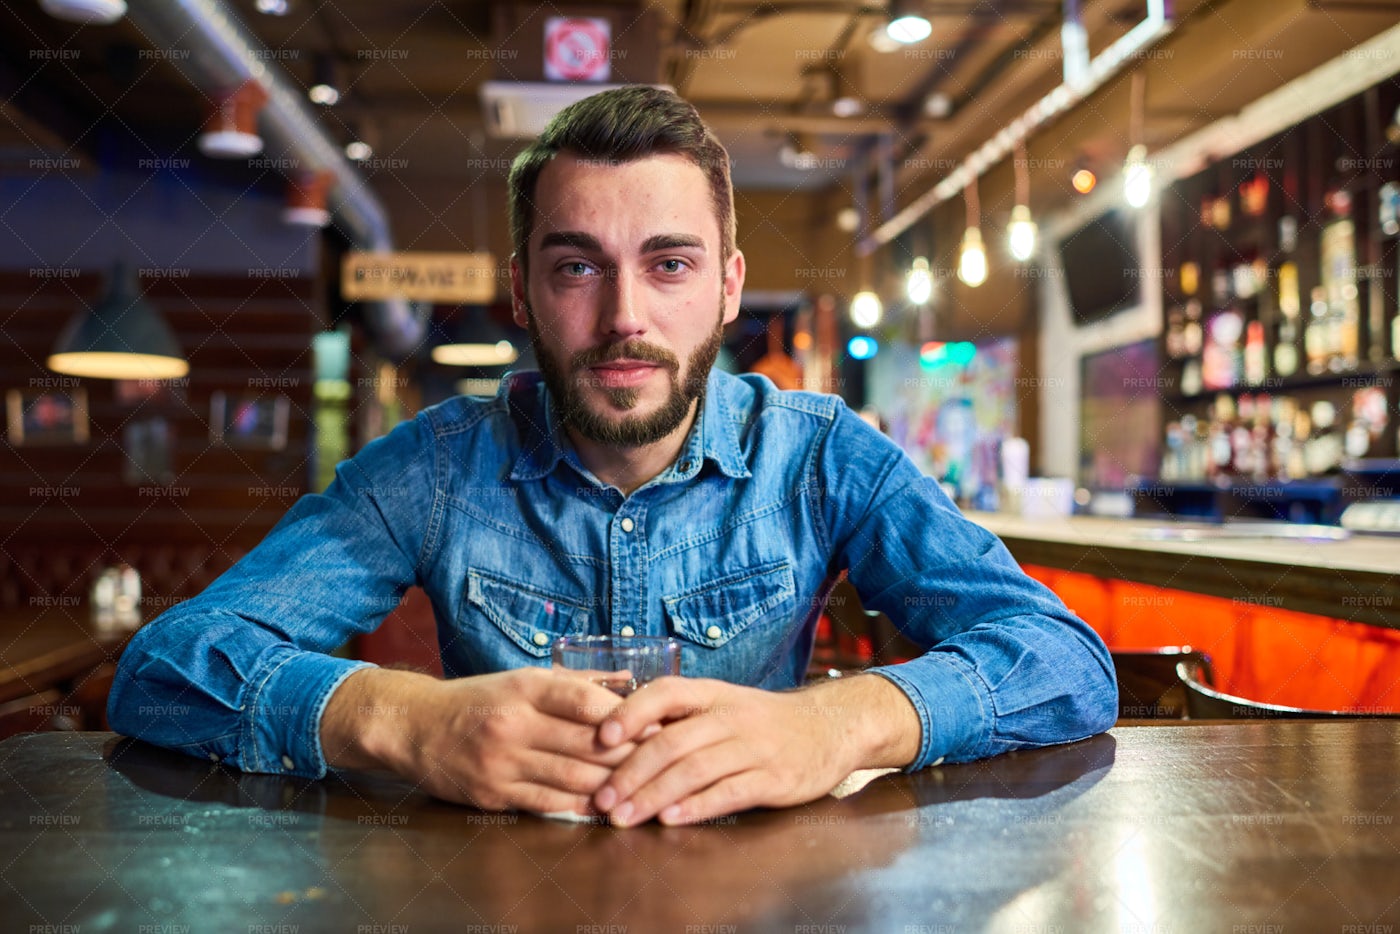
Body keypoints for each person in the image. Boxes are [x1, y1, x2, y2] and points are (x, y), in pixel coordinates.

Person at [109, 86, 1116, 827]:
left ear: (726, 286)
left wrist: (837, 725)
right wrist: (402, 720)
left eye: (667, 264)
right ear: (521, 293)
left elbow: (1062, 661)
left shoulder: (821, 458)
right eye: (577, 266)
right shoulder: (428, 470)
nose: (624, 316)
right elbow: (163, 668)